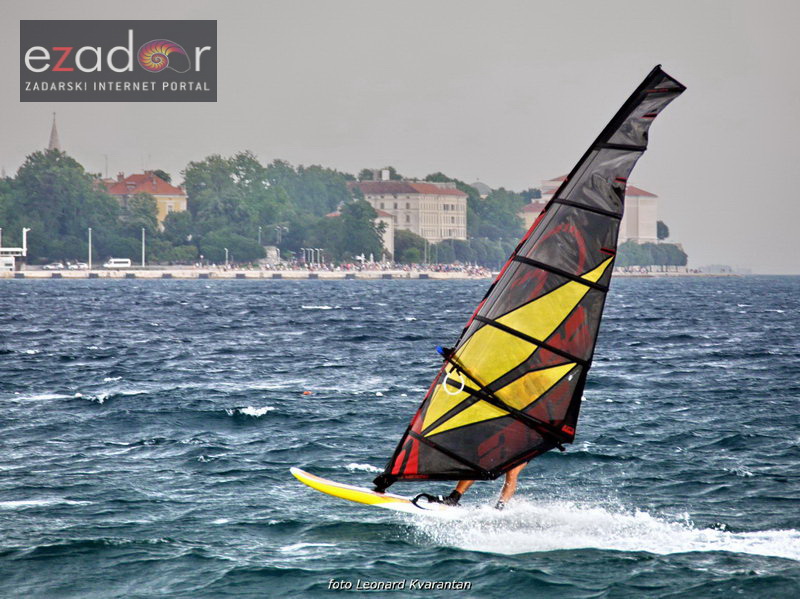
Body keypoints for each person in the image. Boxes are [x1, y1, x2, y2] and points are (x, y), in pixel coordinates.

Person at [431, 462, 528, 510]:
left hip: (524, 442)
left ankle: (500, 507)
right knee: (480, 463)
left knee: (512, 472)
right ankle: (454, 498)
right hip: (506, 438)